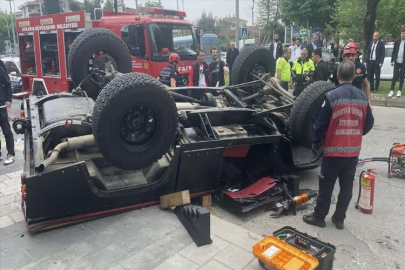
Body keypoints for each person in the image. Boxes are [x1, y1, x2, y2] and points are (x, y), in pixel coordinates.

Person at [303, 60, 374, 230]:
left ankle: (319, 217)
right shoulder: (362, 97)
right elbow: (369, 123)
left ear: (337, 76)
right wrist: (356, 133)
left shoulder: (331, 96)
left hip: (333, 151)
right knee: (346, 186)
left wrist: (315, 143)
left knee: (326, 185)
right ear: (354, 76)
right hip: (353, 152)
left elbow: (320, 124)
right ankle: (339, 219)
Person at [0, 59, 15, 165]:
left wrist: (9, 100)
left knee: (6, 130)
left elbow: (8, 84)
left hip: (1, 105)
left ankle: (11, 154)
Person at [388, 26, 405, 98]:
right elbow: (394, 51)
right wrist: (392, 60)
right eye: (402, 33)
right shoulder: (397, 42)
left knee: (401, 76)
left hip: (404, 62)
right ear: (400, 34)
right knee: (395, 76)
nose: (403, 35)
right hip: (397, 62)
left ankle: (399, 90)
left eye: (404, 33)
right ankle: (392, 90)